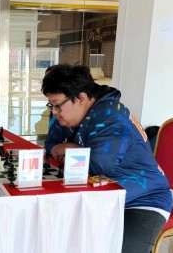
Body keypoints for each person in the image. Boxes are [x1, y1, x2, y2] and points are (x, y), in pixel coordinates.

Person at [42, 64, 171, 253]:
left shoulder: (111, 114)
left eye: (57, 105)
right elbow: (51, 146)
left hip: (142, 201)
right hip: (102, 198)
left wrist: (73, 150)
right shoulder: (70, 116)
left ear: (81, 98)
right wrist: (73, 150)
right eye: (51, 105)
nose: (54, 112)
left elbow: (98, 166)